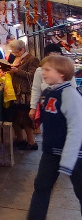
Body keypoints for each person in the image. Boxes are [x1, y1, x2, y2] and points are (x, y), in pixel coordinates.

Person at [27, 55, 82, 219]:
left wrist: (68, 160)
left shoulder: (70, 95)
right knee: (41, 187)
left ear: (62, 73)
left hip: (75, 155)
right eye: (43, 69)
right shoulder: (48, 92)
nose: (43, 73)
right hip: (51, 151)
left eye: (47, 70)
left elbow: (77, 128)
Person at [9, 39, 40, 150]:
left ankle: (31, 142)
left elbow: (32, 75)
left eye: (16, 51)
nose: (14, 53)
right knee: (16, 118)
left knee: (26, 119)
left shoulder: (32, 59)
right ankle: (20, 140)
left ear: (22, 49)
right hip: (16, 93)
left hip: (25, 94)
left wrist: (17, 71)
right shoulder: (17, 58)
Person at [30, 43, 65, 121]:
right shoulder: (39, 70)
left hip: (63, 109)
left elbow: (73, 87)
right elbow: (36, 90)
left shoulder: (66, 70)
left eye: (58, 53)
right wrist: (33, 107)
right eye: (53, 53)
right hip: (46, 109)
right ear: (46, 55)